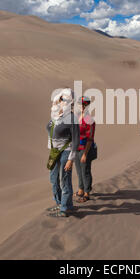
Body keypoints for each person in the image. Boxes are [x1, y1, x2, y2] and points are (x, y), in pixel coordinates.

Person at [46, 89, 80, 218]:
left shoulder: (72, 118)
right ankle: (61, 203)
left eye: (65, 100)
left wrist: (71, 159)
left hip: (66, 151)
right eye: (61, 99)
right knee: (53, 179)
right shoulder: (55, 116)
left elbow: (76, 140)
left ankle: (65, 209)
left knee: (64, 180)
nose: (62, 102)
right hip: (55, 152)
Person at [74, 96, 97, 203]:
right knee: (79, 170)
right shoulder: (77, 116)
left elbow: (90, 138)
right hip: (76, 148)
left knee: (85, 171)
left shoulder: (89, 119)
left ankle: (87, 193)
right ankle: (80, 190)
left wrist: (85, 154)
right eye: (80, 104)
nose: (82, 107)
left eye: (85, 104)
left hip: (85, 149)